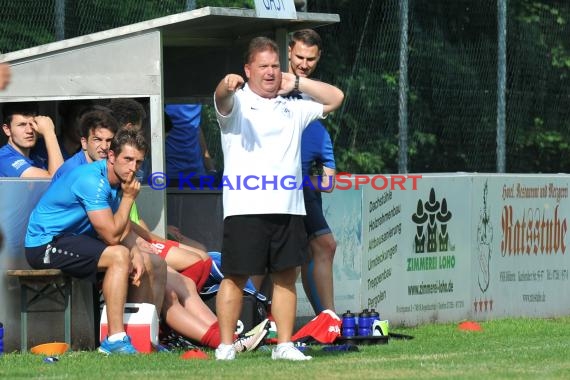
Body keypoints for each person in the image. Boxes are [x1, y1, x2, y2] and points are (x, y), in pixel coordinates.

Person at [74, 103, 267, 352]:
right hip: (98, 249)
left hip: (120, 242)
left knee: (191, 270)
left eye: (109, 140)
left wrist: (152, 239)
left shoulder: (114, 174)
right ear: (84, 142)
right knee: (170, 283)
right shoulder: (88, 175)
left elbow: (125, 223)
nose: (104, 147)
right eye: (99, 140)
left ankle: (224, 337)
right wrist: (141, 243)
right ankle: (205, 338)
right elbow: (110, 232)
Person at [213, 36, 344, 361]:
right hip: (245, 209)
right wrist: (225, 85)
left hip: (289, 209)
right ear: (248, 69)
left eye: (274, 66)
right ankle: (226, 345)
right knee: (235, 276)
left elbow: (336, 97)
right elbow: (220, 98)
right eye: (263, 66)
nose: (270, 72)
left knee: (287, 277)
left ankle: (284, 345)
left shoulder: (293, 106)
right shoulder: (237, 104)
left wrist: (297, 81)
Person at [24, 128, 167, 355]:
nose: (133, 168)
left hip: (73, 240)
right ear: (111, 157)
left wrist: (137, 253)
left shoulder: (119, 179)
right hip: (45, 245)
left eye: (139, 162)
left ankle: (146, 339)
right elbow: (111, 235)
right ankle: (115, 340)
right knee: (119, 255)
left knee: (155, 263)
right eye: (128, 159)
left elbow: (120, 226)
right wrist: (129, 199)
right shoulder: (92, 180)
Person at [290, 29, 338, 314]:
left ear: (319, 58)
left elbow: (328, 181)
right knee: (312, 249)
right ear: (288, 53)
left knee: (321, 247)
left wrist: (307, 180)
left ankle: (327, 318)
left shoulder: (315, 100)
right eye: (299, 56)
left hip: (302, 191)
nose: (304, 63)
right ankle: (258, 319)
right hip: (271, 187)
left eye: (311, 59)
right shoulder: (272, 86)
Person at [0, 102, 64, 178]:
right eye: (22, 125)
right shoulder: (4, 159)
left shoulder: (36, 156)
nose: (29, 131)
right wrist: (49, 132)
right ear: (7, 129)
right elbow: (59, 179)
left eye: (32, 124)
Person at [164, 104, 217, 186]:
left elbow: (195, 126)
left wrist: (210, 167)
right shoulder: (164, 97)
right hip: (169, 176)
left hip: (197, 175)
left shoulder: (196, 99)